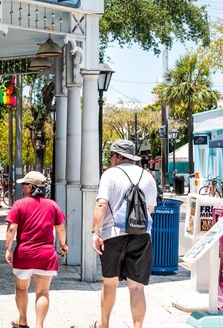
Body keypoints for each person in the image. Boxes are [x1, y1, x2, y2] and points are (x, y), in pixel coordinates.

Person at [90, 139, 157, 328]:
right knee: (136, 287)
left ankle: (104, 324)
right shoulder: (148, 176)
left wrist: (96, 232)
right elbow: (150, 208)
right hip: (142, 235)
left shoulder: (110, 175)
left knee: (110, 283)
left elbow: (101, 204)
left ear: (119, 156)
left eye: (111, 154)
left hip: (113, 235)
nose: (110, 158)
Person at [5, 171, 67, 328]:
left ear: (31, 187)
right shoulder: (52, 205)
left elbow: (12, 229)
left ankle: (22, 320)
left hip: (24, 254)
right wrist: (63, 244)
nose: (23, 189)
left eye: (25, 185)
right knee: (43, 292)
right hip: (46, 255)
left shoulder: (20, 204)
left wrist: (8, 249)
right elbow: (60, 228)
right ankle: (39, 325)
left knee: (21, 287)